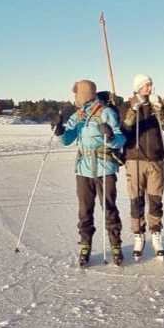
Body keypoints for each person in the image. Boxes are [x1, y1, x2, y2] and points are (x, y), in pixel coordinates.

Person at [52, 80, 126, 267]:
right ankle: (85, 245)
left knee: (109, 208)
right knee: (85, 210)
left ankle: (115, 245)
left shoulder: (106, 112)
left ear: (84, 94)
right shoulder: (78, 116)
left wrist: (110, 136)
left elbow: (120, 139)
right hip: (83, 170)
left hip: (104, 168)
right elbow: (67, 140)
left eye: (76, 94)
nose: (75, 98)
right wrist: (60, 131)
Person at [120, 74, 164, 261]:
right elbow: (124, 129)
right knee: (136, 200)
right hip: (134, 159)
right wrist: (133, 111)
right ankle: (138, 235)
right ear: (138, 87)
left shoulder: (156, 104)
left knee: (155, 200)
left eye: (151, 85)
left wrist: (161, 112)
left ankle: (156, 235)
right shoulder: (128, 105)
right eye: (146, 85)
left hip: (155, 159)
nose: (150, 88)